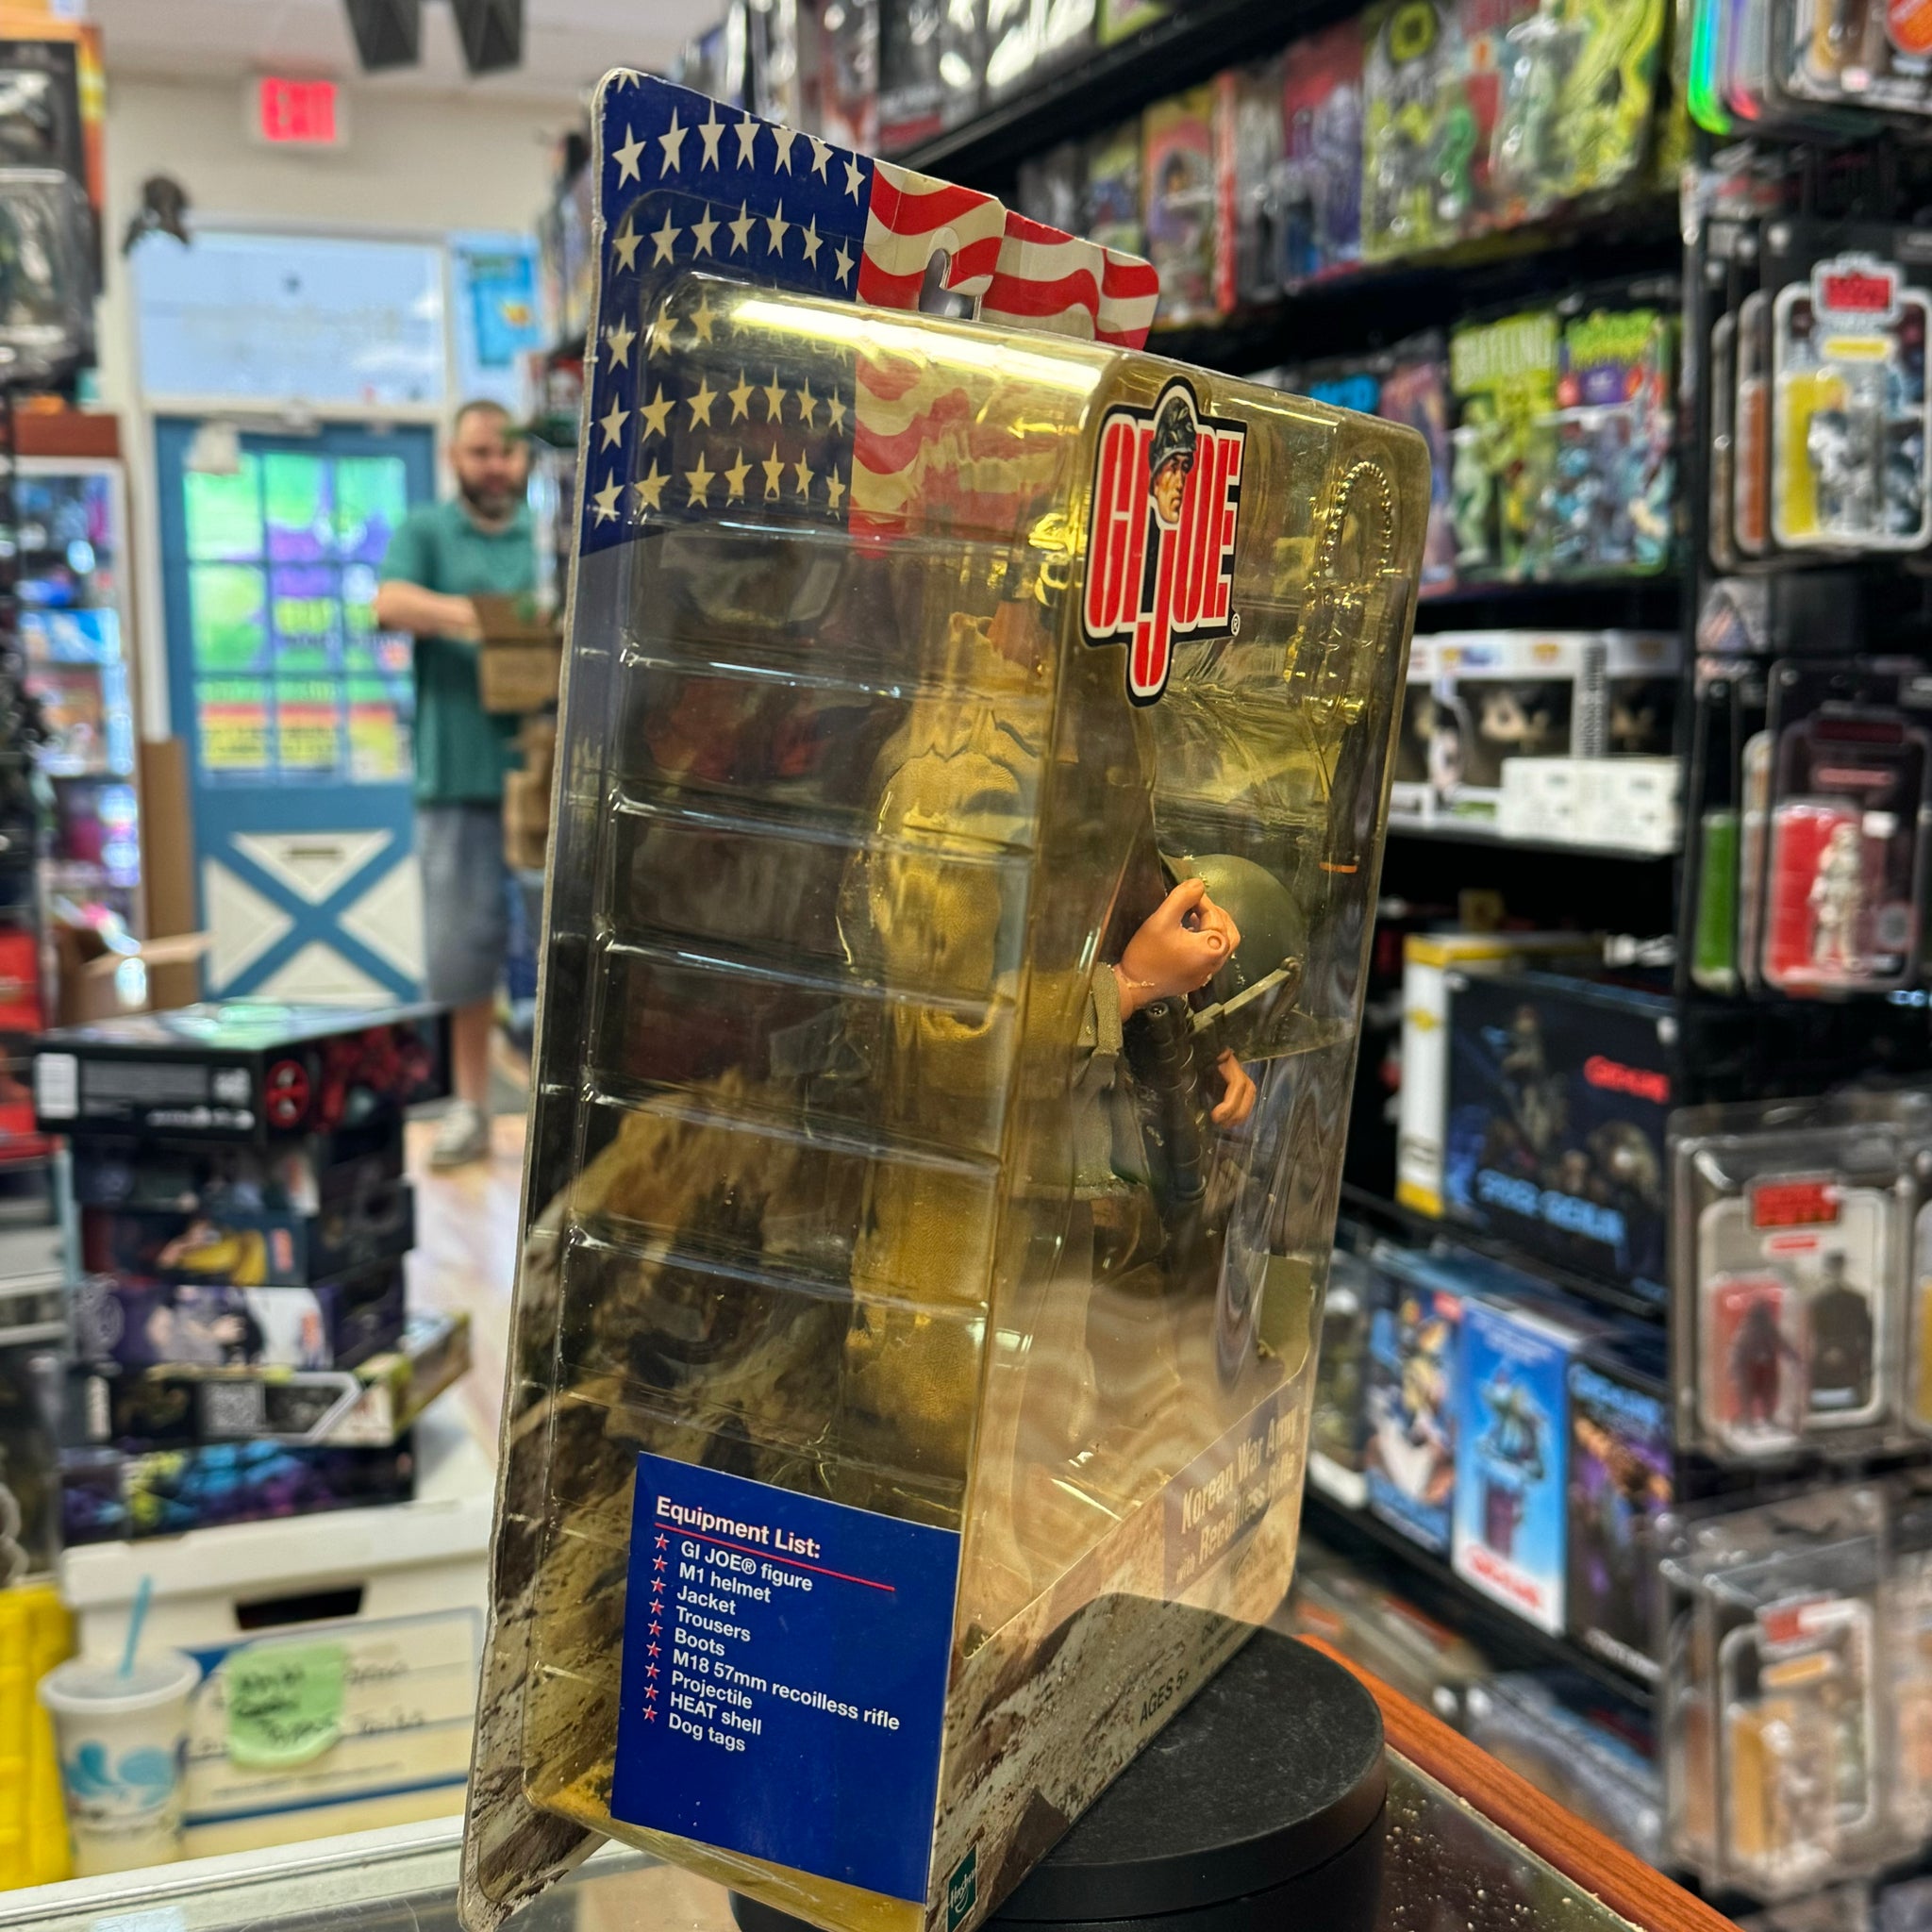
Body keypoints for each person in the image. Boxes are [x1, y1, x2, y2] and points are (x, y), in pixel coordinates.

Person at [374, 398, 533, 1168]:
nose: (495, 467)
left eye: (506, 453)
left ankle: (554, 1113)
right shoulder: (428, 532)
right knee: (462, 958)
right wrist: (477, 619)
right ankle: (470, 1107)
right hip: (458, 784)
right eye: (480, 453)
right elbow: (388, 602)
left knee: (560, 955)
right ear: (454, 459)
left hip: (548, 788)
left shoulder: (547, 538)